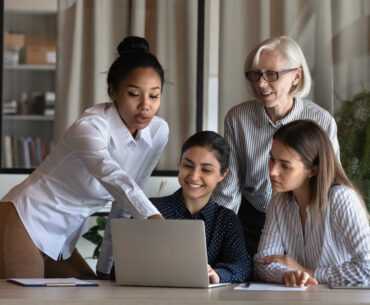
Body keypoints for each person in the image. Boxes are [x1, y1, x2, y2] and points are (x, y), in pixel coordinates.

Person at [0, 36, 169, 278]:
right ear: (113, 91)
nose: (145, 105)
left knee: (93, 292)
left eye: (154, 96)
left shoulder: (158, 131)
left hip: (64, 236)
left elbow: (125, 201)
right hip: (26, 219)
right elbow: (112, 176)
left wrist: (105, 268)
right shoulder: (90, 127)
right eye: (134, 94)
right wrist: (154, 218)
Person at [212, 36, 340, 257]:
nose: (261, 84)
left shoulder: (321, 121)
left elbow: (330, 185)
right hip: (252, 221)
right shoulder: (238, 118)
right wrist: (217, 241)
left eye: (272, 74)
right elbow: (229, 189)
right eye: (255, 75)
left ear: (296, 76)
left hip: (305, 222)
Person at [104, 131, 251, 283]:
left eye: (206, 170)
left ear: (223, 175)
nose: (194, 176)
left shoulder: (226, 219)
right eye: (187, 165)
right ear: (179, 164)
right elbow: (120, 269)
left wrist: (218, 274)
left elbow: (242, 266)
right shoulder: (151, 209)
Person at [254, 120, 370, 287]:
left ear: (313, 170)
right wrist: (287, 274)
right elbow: (261, 263)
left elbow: (367, 268)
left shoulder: (341, 198)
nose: (272, 171)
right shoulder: (278, 201)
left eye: (285, 166)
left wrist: (309, 272)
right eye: (272, 159)